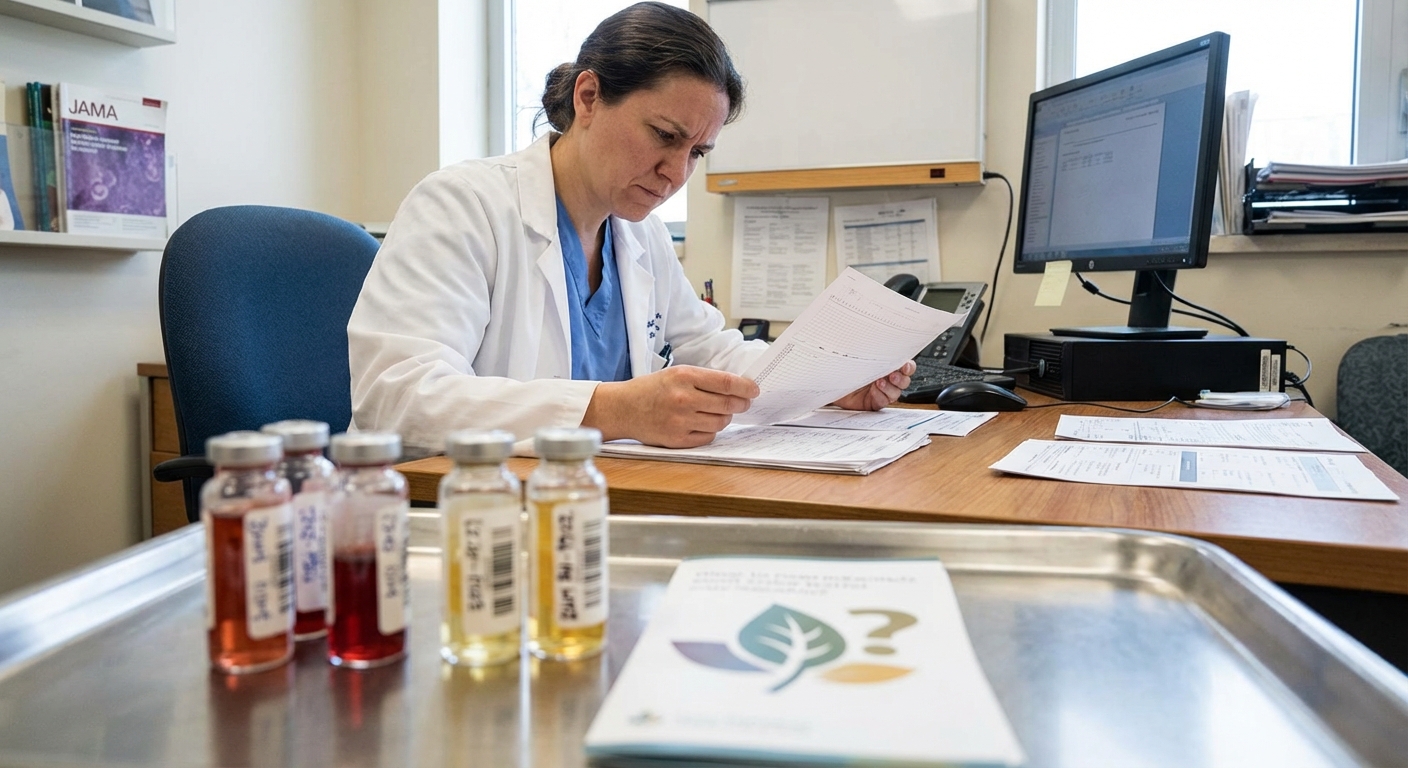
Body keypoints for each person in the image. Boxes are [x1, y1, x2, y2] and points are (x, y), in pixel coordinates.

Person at [347, 1, 914, 457]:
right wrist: (616, 410)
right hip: (459, 515)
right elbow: (397, 399)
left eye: (698, 151)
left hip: (594, 503)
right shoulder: (462, 206)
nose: (676, 174)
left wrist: (828, 383)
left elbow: (712, 354)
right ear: (588, 97)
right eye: (665, 136)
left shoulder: (640, 235)